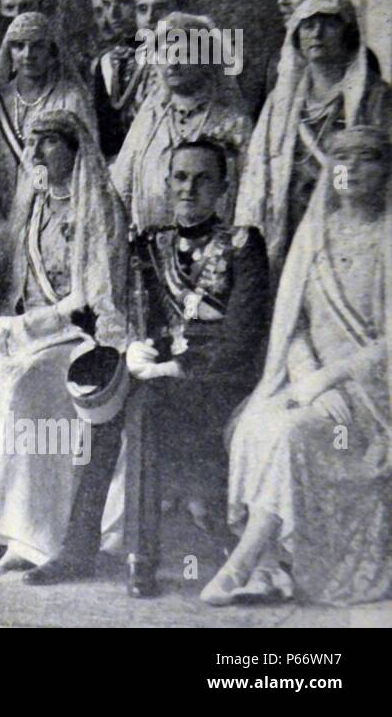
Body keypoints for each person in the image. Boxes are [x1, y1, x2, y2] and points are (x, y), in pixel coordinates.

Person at [203, 127, 391, 606]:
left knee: (291, 435)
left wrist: (332, 380)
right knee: (253, 425)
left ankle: (241, 565)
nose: (350, 168)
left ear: (386, 168)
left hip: (373, 400)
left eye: (366, 158)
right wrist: (310, 379)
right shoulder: (313, 236)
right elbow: (294, 327)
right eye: (340, 157)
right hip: (315, 388)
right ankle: (268, 569)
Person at [0, 110, 129, 572]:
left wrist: (32, 326)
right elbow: (17, 285)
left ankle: (40, 534)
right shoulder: (31, 206)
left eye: (50, 142)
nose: (36, 151)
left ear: (75, 151)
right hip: (32, 332)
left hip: (81, 339)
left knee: (24, 387)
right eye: (33, 143)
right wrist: (7, 325)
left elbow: (91, 298)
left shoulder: (99, 206)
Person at [122, 139, 270, 597]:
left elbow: (242, 337)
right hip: (163, 376)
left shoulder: (244, 243)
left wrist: (176, 369)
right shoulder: (150, 244)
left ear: (223, 188)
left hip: (222, 379)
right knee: (117, 407)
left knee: (148, 403)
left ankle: (157, 552)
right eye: (180, 177)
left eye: (203, 178)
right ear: (167, 184)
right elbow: (139, 314)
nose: (190, 188)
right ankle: (113, 549)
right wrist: (135, 348)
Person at [235, 0, 391, 284]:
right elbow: (258, 172)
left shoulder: (374, 98)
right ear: (296, 36)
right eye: (308, 25)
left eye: (329, 24)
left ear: (348, 32)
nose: (317, 33)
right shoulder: (280, 104)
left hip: (345, 223)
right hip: (288, 223)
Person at [112, 13, 254, 232]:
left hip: (214, 253)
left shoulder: (233, 124)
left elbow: (249, 197)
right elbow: (120, 190)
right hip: (151, 249)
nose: (173, 64)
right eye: (165, 54)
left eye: (184, 54)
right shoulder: (149, 122)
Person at [0, 12, 97, 222]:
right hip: (0, 217)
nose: (28, 54)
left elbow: (86, 163)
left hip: (55, 213)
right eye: (19, 46)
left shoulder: (71, 99)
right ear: (9, 52)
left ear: (52, 52)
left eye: (37, 46)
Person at [89, 0, 143, 157]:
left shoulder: (169, 56)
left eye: (123, 2)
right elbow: (104, 130)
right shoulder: (105, 63)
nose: (113, 13)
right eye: (106, 5)